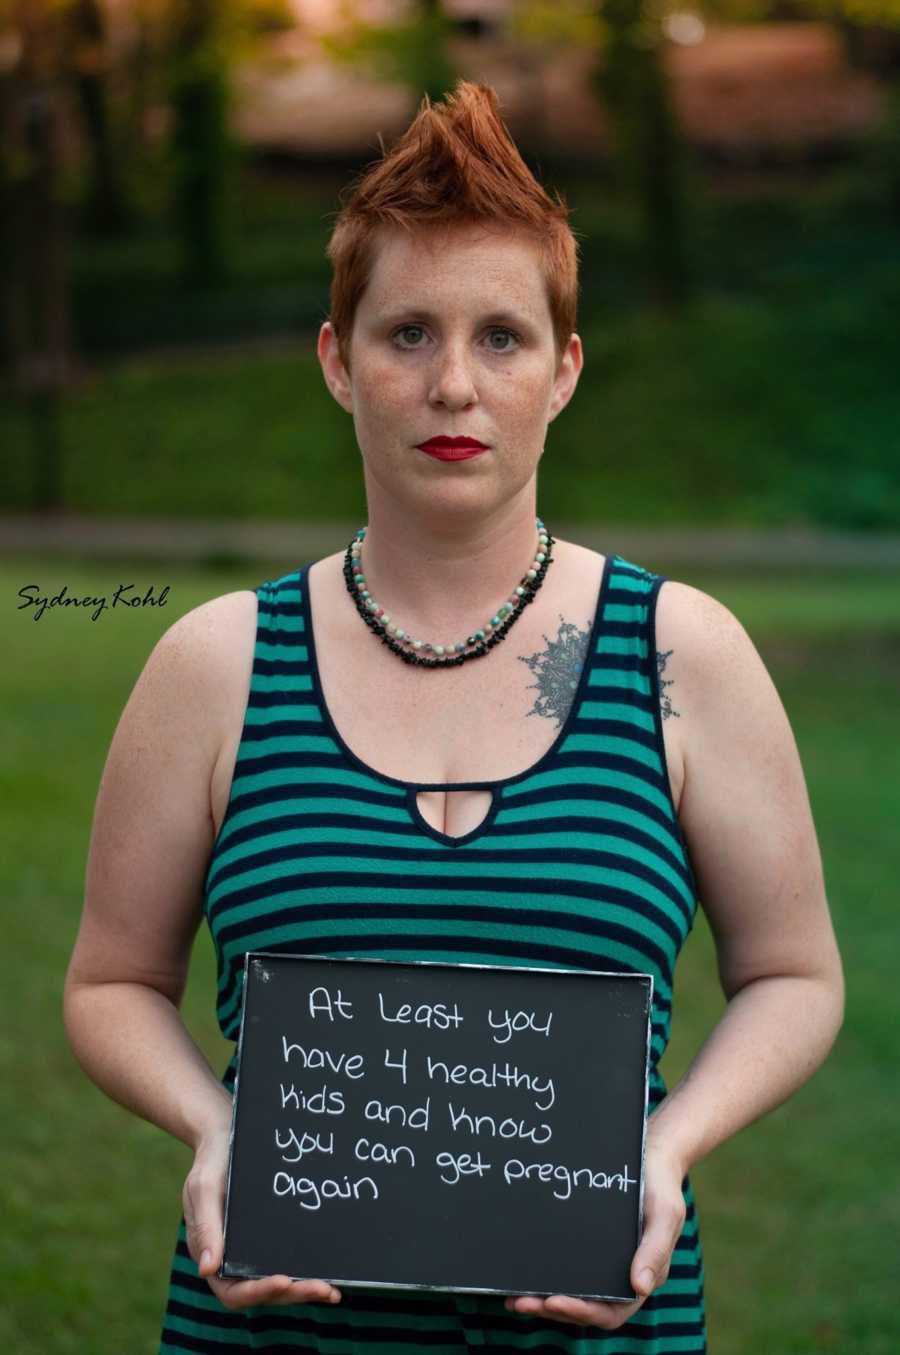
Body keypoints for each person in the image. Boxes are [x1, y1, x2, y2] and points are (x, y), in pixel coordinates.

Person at [63, 81, 844, 1354]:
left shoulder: (677, 653)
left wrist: (668, 1141)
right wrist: (216, 1127)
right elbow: (110, 980)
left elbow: (796, 975)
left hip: (600, 1327)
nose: (453, 386)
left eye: (502, 337)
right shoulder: (216, 661)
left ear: (564, 370)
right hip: (270, 1327)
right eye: (407, 333)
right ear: (337, 360)